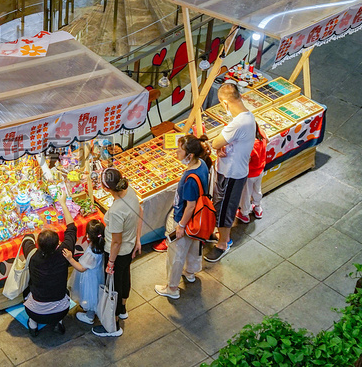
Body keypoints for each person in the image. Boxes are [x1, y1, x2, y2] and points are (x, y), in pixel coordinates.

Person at [155, 134, 212, 299]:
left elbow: (190, 205)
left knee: (176, 253)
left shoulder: (190, 179)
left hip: (186, 219)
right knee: (193, 246)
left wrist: (180, 225)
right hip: (198, 220)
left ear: (190, 155)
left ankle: (172, 288)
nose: (176, 153)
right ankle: (190, 272)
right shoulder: (201, 164)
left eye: (179, 150)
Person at [204, 84, 256, 263]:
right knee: (222, 205)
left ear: (225, 103)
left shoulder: (237, 124)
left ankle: (223, 244)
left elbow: (216, 143)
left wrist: (219, 145)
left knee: (225, 208)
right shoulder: (248, 117)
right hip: (234, 171)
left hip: (231, 173)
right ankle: (220, 235)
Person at [92, 167, 142, 337]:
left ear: (106, 188)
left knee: (112, 285)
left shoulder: (116, 211)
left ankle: (112, 325)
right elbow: (140, 211)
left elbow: (116, 241)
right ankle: (122, 309)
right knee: (124, 277)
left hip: (118, 252)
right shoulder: (130, 192)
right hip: (128, 248)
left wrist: (110, 262)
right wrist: (137, 238)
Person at [20, 193, 77, 337]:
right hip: (62, 310)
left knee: (27, 290)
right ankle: (59, 322)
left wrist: (34, 226)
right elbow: (71, 229)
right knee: (65, 293)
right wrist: (63, 203)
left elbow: (26, 238)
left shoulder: (33, 255)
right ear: (58, 244)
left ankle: (33, 324)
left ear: (38, 245)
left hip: (35, 311)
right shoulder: (64, 253)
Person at [62, 220, 106, 325]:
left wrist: (70, 259)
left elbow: (82, 268)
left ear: (88, 235)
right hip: (97, 274)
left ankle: (90, 316)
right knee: (95, 294)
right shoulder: (101, 245)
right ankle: (92, 311)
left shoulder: (92, 252)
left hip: (90, 278)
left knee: (90, 295)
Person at [236, 123, 268, 223]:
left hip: (249, 174)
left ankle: (244, 213)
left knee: (246, 193)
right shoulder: (261, 134)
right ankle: (257, 207)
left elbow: (246, 160)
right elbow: (267, 139)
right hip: (260, 170)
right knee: (257, 189)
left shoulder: (250, 145)